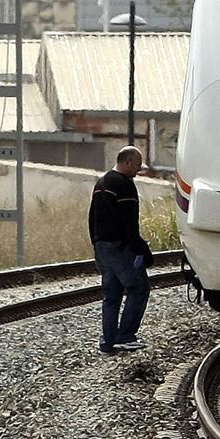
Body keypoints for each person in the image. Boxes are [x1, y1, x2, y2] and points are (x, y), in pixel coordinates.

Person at [89, 145, 152, 354]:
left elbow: (92, 219)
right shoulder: (123, 185)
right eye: (137, 165)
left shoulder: (101, 182)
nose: (139, 169)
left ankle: (108, 342)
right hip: (119, 246)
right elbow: (128, 221)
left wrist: (96, 245)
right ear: (127, 162)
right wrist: (141, 249)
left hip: (102, 246)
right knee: (139, 287)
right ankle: (126, 335)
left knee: (112, 294)